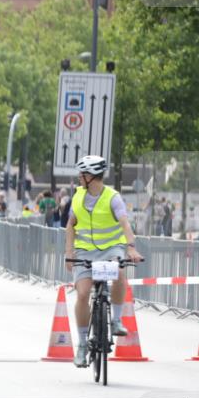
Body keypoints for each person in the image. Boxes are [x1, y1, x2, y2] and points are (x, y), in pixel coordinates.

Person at [64, 155, 144, 368]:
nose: (79, 178)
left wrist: (131, 247)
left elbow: (125, 224)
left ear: (90, 176)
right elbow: (70, 225)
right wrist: (69, 252)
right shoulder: (78, 196)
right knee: (82, 294)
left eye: (82, 174)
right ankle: (82, 345)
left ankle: (116, 320)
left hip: (111, 248)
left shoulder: (112, 197)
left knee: (119, 272)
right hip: (84, 251)